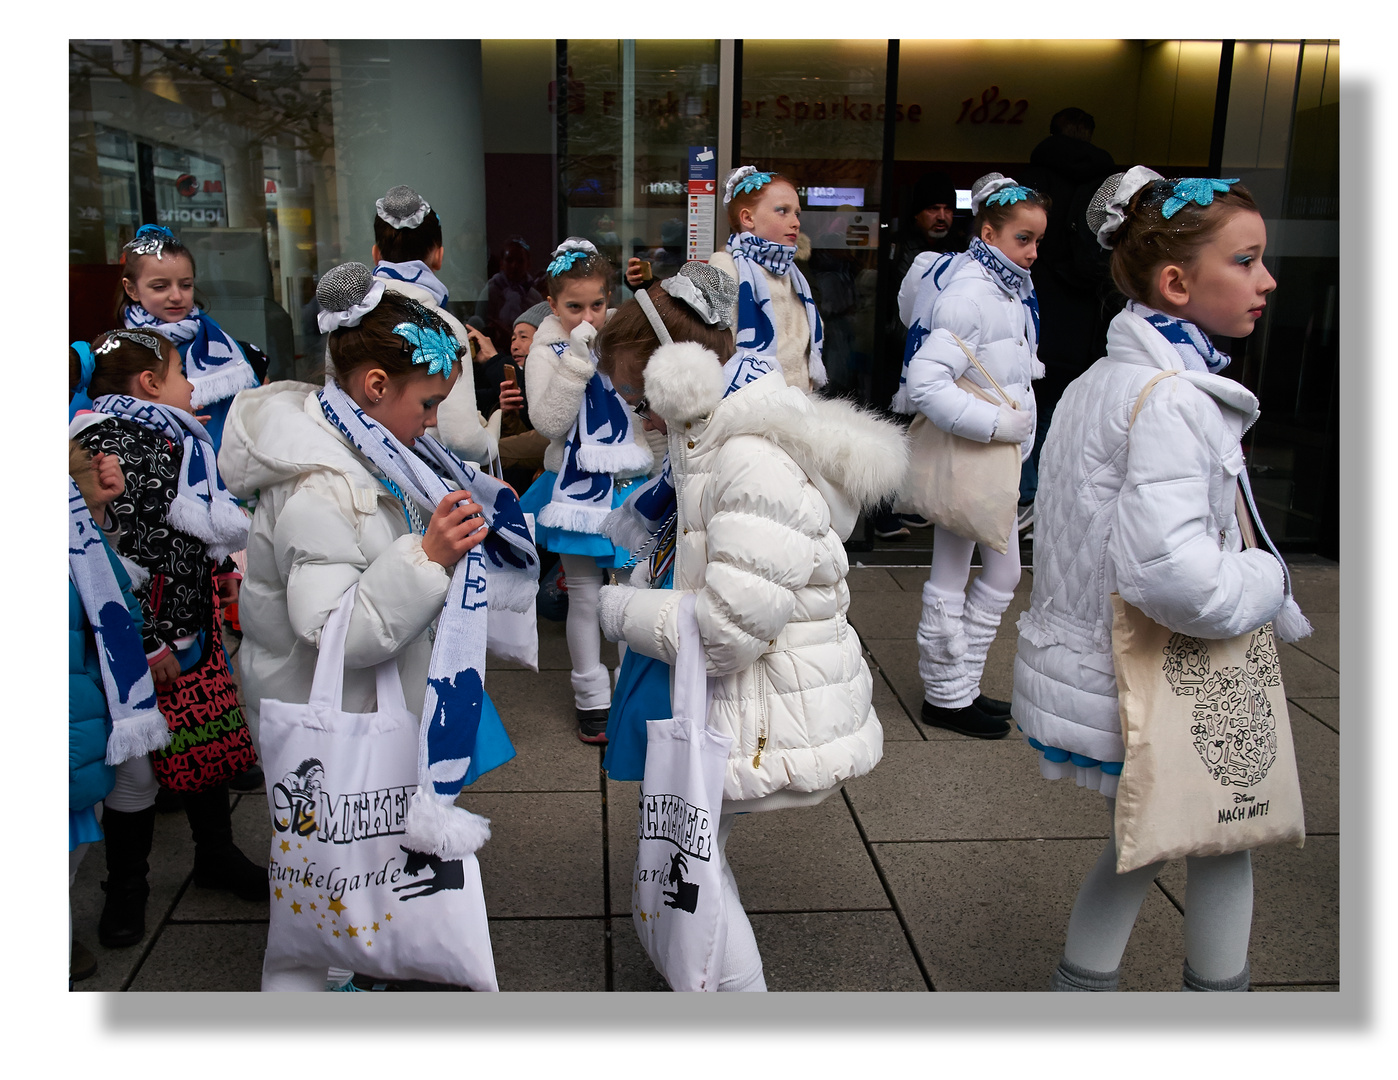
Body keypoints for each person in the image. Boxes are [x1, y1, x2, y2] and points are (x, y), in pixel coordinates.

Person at [1013, 168, 1302, 992]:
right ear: (1176, 284)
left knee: (1147, 840)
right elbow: (1175, 575)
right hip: (1156, 678)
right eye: (1245, 261)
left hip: (1102, 668)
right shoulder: (1173, 396)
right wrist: (1266, 580)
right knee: (1216, 841)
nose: (1267, 281)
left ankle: (1087, 995)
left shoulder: (1101, 381)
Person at [218, 262, 539, 990]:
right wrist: (427, 559)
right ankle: (328, 976)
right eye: (428, 405)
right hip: (328, 705)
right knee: (334, 857)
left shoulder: (374, 448)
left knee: (359, 852)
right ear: (374, 388)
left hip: (371, 696)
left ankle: (358, 955)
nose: (433, 426)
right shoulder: (322, 485)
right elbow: (334, 629)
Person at [593, 259, 907, 991]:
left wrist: (618, 609)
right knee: (687, 848)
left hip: (761, 706)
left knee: (694, 855)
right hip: (748, 699)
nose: (638, 415)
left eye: (641, 397)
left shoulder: (749, 459)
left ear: (684, 380)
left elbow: (731, 626)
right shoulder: (713, 441)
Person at [72, 329, 267, 948]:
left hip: (189, 624)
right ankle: (125, 888)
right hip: (141, 642)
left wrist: (217, 577)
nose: (191, 386)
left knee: (205, 739)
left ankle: (215, 854)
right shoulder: (113, 445)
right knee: (137, 772)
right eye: (182, 372)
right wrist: (150, 641)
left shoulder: (170, 436)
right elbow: (119, 554)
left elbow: (182, 538)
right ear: (150, 385)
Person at [903, 173, 1047, 739]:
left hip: (991, 457)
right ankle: (946, 693)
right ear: (988, 233)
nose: (1033, 252)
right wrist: (998, 424)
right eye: (1023, 239)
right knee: (954, 573)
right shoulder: (971, 291)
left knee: (999, 569)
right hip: (973, 454)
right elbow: (926, 384)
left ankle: (958, 684)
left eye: (1038, 240)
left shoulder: (1006, 289)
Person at [519, 239, 660, 744]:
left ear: (609, 298)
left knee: (629, 591)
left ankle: (629, 693)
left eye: (597, 304)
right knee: (582, 595)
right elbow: (550, 422)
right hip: (574, 493)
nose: (587, 316)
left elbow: (647, 406)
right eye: (574, 306)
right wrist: (577, 362)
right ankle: (590, 699)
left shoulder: (623, 332)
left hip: (628, 486)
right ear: (552, 304)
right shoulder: (545, 347)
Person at [68, 437, 168, 982]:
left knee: (129, 782)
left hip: (101, 686)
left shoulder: (69, 510)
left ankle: (127, 888)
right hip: (80, 690)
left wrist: (96, 511)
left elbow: (103, 577)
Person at [1017, 108, 1120, 534]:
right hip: (1084, 318)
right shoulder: (1106, 186)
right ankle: (1057, 501)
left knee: (1025, 407)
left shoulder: (1033, 182)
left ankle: (1026, 497)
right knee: (1068, 412)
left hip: (1036, 310)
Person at [370, 185, 503, 467]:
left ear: (375, 254)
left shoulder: (349, 319)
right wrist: (492, 432)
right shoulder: (442, 325)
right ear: (439, 256)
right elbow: (463, 440)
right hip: (426, 485)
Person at [117, 224, 267, 453]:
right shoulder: (116, 355)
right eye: (160, 286)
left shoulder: (234, 351)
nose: (176, 296)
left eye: (186, 285)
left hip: (225, 475)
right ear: (131, 289)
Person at [496, 301, 551, 493]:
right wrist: (510, 413)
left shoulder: (556, 369)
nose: (515, 346)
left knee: (490, 453)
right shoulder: (526, 377)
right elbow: (523, 434)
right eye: (512, 339)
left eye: (523, 337)